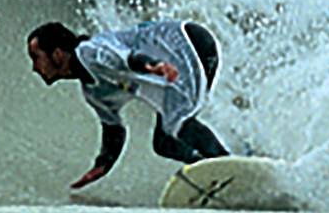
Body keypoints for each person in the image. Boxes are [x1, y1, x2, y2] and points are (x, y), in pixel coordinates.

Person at [27, 19, 231, 189]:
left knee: (176, 123)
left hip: (188, 43)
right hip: (177, 55)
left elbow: (128, 59)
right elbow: (113, 130)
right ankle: (211, 168)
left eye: (36, 58)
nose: (34, 68)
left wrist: (154, 66)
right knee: (164, 143)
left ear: (57, 54)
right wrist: (102, 165)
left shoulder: (90, 52)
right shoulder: (93, 92)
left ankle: (226, 166)